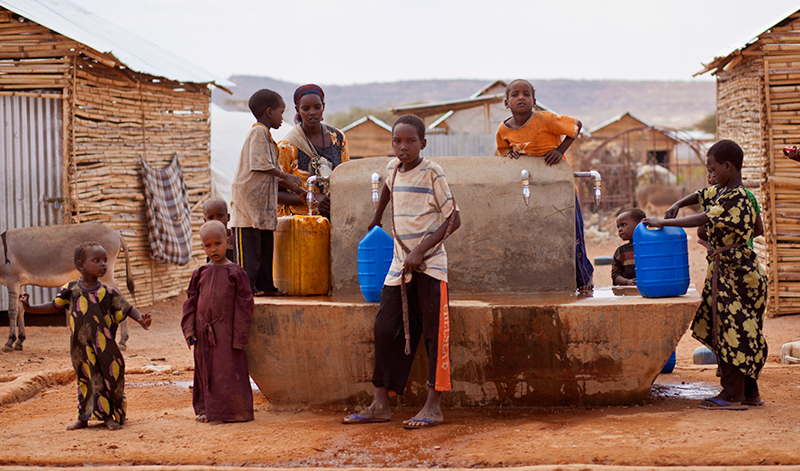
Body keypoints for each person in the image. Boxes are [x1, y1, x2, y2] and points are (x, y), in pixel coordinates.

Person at [342, 114, 460, 429]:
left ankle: (433, 406)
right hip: (399, 265)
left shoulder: (433, 173)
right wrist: (377, 216)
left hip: (430, 265)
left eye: (410, 141)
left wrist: (421, 251)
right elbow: (388, 187)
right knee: (384, 328)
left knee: (435, 335)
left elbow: (454, 219)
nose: (403, 146)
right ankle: (380, 403)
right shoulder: (393, 169)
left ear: (423, 143)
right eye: (397, 141)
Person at [642, 139, 768, 410]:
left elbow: (703, 218)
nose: (709, 173)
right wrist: (677, 203)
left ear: (728, 166)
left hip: (735, 273)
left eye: (712, 167)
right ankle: (749, 392)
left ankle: (732, 395)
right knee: (744, 329)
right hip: (738, 268)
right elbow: (704, 197)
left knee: (732, 330)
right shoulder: (727, 193)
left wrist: (663, 221)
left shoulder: (737, 197)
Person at [19, 242, 152, 430]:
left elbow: (128, 308)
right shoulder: (71, 289)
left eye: (105, 260)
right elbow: (54, 305)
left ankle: (108, 417)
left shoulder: (107, 292)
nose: (103, 264)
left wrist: (141, 320)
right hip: (80, 347)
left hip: (105, 348)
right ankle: (83, 417)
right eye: (96, 260)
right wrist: (29, 308)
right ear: (81, 265)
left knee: (108, 378)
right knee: (85, 379)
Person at [495, 79, 593, 291]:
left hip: (561, 189)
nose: (521, 97)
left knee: (573, 236)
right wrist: (511, 155)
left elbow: (576, 126)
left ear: (534, 101)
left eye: (526, 94)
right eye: (515, 94)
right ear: (506, 103)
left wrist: (560, 150)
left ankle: (584, 281)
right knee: (539, 238)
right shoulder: (503, 131)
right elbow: (503, 155)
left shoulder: (546, 119)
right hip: (531, 193)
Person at [229, 88, 303, 296]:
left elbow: (269, 168)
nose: (283, 117)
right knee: (249, 250)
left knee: (264, 245)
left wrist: (299, 189)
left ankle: (267, 286)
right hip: (247, 202)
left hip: (260, 202)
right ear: (269, 111)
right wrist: (286, 177)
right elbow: (260, 164)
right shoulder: (258, 131)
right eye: (281, 112)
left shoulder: (267, 136)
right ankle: (247, 289)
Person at [182, 221, 255, 423]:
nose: (213, 249)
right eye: (208, 245)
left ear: (228, 240)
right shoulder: (200, 273)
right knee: (206, 372)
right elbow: (190, 302)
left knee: (228, 370)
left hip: (226, 333)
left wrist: (239, 337)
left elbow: (245, 305)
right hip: (203, 332)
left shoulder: (236, 272)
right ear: (202, 246)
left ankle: (234, 412)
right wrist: (190, 330)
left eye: (218, 243)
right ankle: (207, 410)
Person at [278, 84, 350, 219]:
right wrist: (311, 197)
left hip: (335, 217)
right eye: (306, 108)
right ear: (297, 110)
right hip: (302, 223)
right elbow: (275, 193)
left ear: (323, 106)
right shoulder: (288, 147)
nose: (312, 112)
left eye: (317, 107)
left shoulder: (338, 138)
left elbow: (345, 177)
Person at [611, 208, 645, 286]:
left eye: (623, 225)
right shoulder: (621, 252)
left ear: (640, 224)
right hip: (628, 292)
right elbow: (615, 275)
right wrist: (627, 282)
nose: (620, 230)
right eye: (618, 227)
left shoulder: (651, 247)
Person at [203, 196, 234, 262]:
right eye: (211, 217)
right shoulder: (207, 238)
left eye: (220, 216)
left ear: (228, 217)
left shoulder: (233, 236)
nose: (216, 221)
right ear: (205, 221)